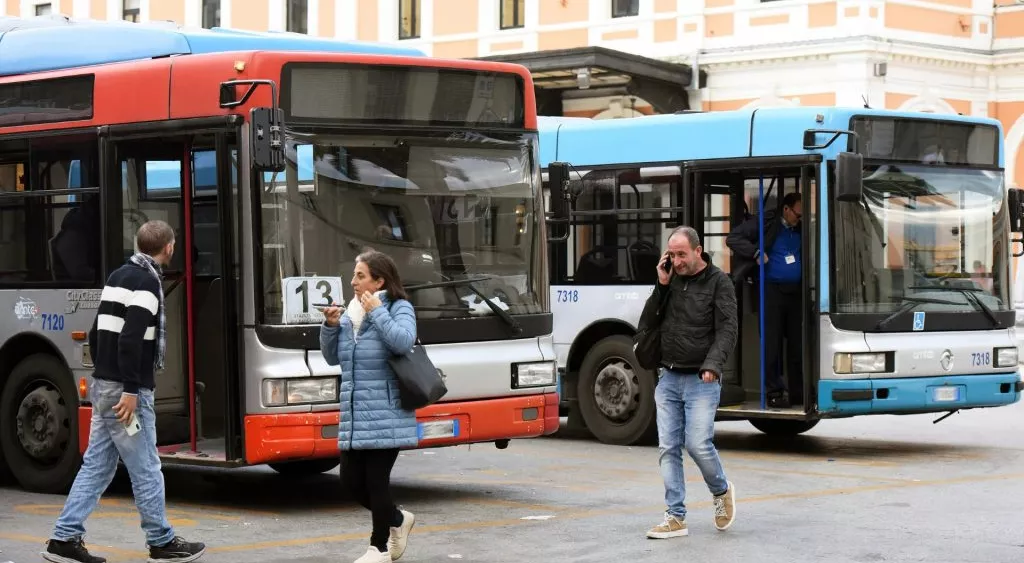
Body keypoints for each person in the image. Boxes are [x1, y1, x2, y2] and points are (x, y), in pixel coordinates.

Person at [43, 220, 206, 563]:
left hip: (104, 386)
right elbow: (131, 340)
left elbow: (95, 331)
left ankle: (64, 538)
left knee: (97, 466)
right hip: (125, 393)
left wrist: (105, 378)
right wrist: (130, 390)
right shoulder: (148, 283)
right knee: (146, 466)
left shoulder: (118, 276)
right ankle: (161, 541)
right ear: (169, 248)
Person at [320, 250, 419, 563]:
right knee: (350, 483)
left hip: (386, 412)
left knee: (376, 483)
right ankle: (399, 520)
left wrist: (378, 311)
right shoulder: (351, 311)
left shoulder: (399, 307)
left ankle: (378, 548)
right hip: (354, 412)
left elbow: (404, 342)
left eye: (360, 276)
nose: (353, 282)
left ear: (380, 281)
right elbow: (333, 358)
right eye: (354, 275)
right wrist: (331, 326)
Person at [640, 226, 738, 539]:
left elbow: (727, 329)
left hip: (700, 378)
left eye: (682, 254)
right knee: (668, 448)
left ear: (698, 251)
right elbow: (648, 324)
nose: (677, 261)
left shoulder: (719, 282)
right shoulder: (669, 281)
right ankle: (675, 517)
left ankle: (721, 491)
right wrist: (662, 284)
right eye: (672, 255)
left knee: (697, 443)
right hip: (668, 377)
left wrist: (712, 365)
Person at [726, 191, 803, 408]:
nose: (800, 219)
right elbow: (732, 238)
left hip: (795, 292)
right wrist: (755, 253)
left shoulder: (800, 228)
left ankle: (798, 391)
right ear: (786, 209)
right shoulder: (766, 223)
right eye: (797, 214)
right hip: (771, 291)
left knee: (797, 344)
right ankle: (774, 391)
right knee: (772, 344)